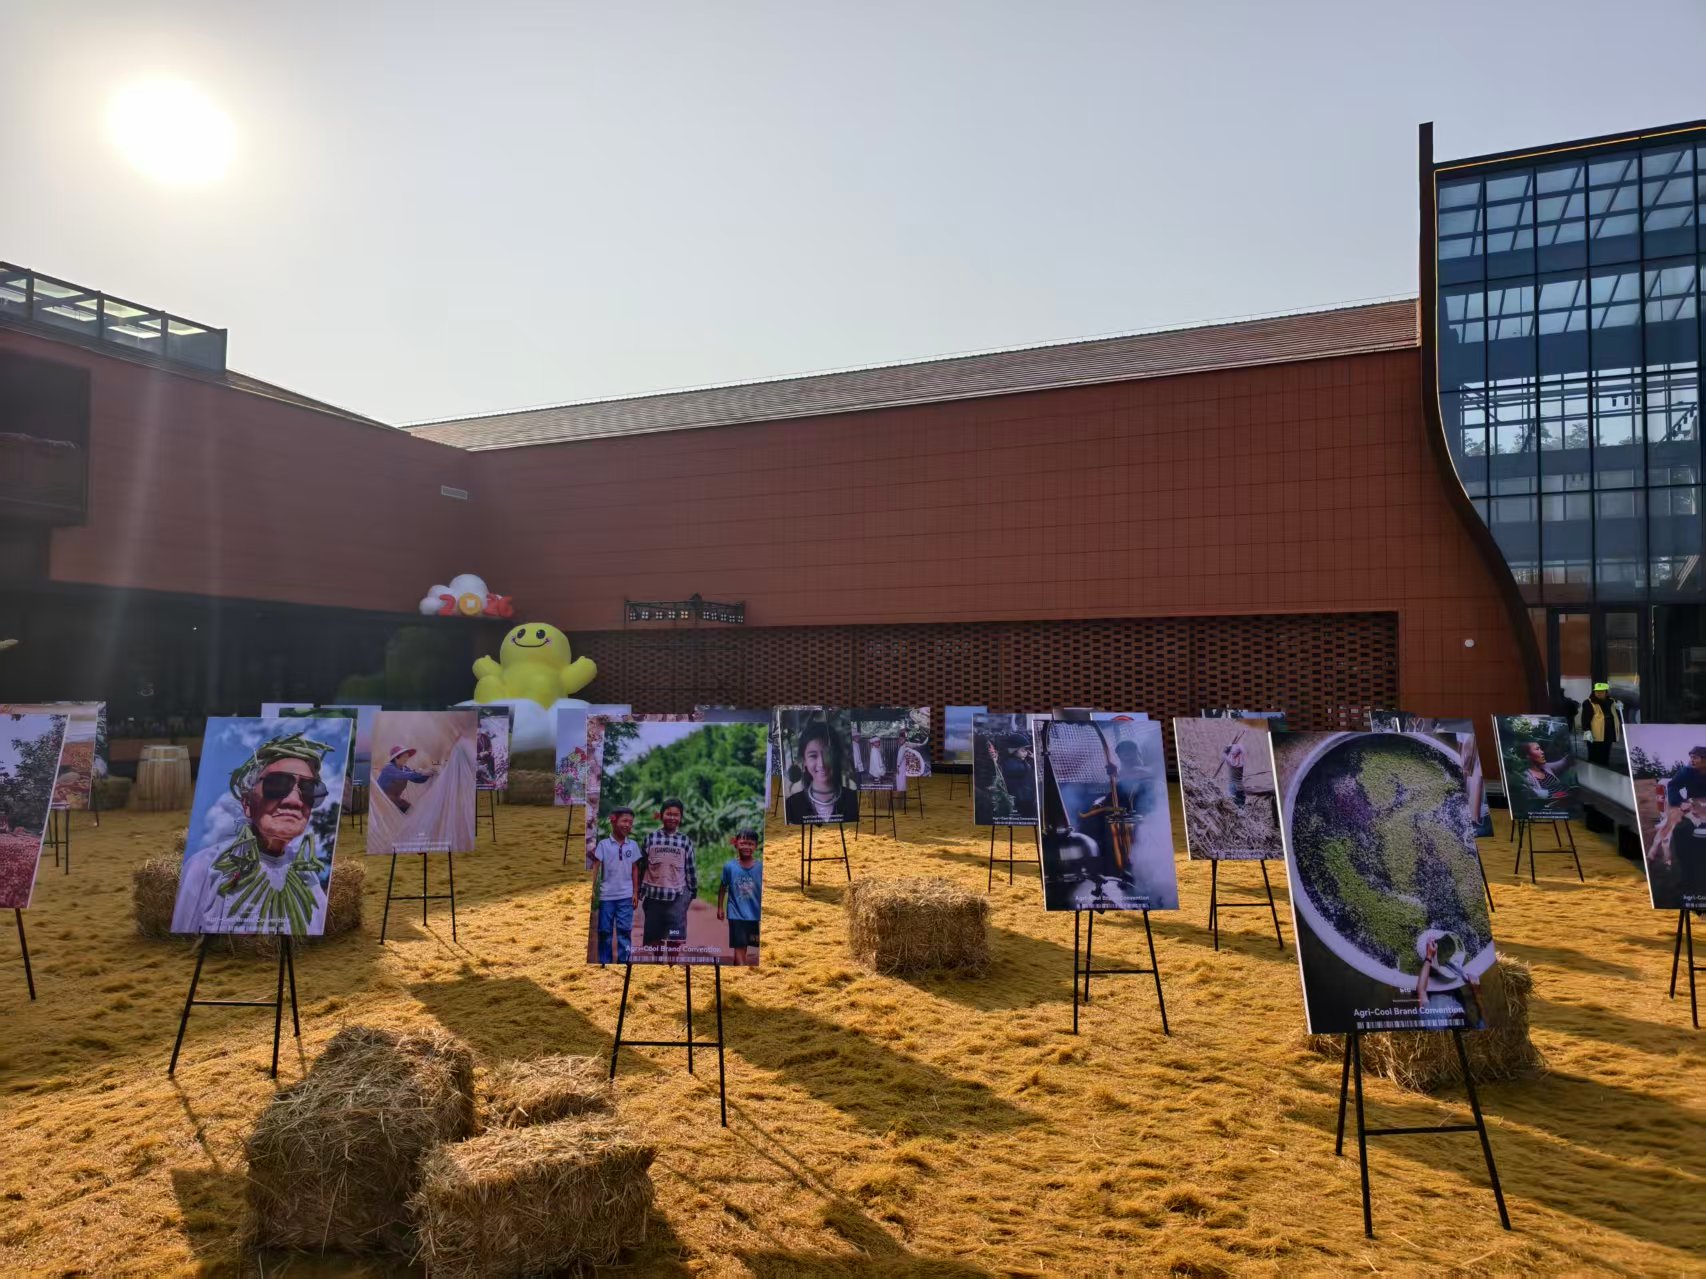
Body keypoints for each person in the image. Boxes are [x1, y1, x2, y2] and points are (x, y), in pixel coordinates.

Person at [171, 731, 334, 935]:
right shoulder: (205, 868)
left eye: (309, 789)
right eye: (277, 784)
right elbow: (182, 941)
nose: (294, 801)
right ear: (247, 804)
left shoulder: (308, 879)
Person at [639, 798, 697, 962]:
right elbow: (643, 867)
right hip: (653, 897)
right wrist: (638, 892)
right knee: (655, 938)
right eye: (668, 814)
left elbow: (690, 869)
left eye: (676, 815)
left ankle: (672, 965)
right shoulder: (650, 839)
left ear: (681, 818)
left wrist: (690, 893)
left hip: (677, 898)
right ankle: (658, 963)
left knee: (674, 938)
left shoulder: (685, 841)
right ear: (661, 815)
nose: (672, 818)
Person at [591, 806, 643, 963]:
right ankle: (604, 964)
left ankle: (624, 964)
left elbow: (635, 869)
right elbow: (595, 866)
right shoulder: (603, 845)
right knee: (604, 932)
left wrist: (635, 892)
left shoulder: (632, 845)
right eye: (624, 821)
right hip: (606, 896)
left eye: (630, 822)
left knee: (624, 932)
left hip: (626, 897)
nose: (628, 825)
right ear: (613, 821)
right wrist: (591, 889)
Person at [784, 721, 858, 823]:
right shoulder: (791, 805)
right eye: (813, 756)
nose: (821, 764)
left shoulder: (855, 801)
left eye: (828, 754)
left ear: (837, 756)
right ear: (804, 761)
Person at [716, 827, 763, 965]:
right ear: (736, 844)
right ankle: (742, 972)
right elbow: (723, 887)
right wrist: (720, 907)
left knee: (744, 947)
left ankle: (737, 969)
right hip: (736, 914)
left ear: (756, 846)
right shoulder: (729, 867)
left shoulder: (761, 867)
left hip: (754, 915)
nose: (746, 847)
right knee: (739, 947)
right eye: (743, 843)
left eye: (750, 844)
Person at [1577, 683, 1625, 767]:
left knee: (1606, 753)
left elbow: (1616, 714)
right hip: (1595, 734)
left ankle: (1604, 768)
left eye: (1601, 692)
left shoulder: (1611, 701)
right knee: (1594, 754)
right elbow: (1585, 717)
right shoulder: (1589, 702)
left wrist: (1619, 707)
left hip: (1608, 732)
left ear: (1606, 692)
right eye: (1597, 691)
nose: (1599, 693)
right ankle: (1593, 769)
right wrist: (1587, 730)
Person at [376, 746, 433, 813]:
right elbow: (405, 775)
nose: (406, 759)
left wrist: (427, 775)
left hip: (395, 800)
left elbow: (417, 779)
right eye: (404, 757)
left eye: (407, 757)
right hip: (382, 801)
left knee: (413, 812)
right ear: (396, 758)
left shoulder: (404, 768)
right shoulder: (389, 768)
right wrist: (422, 772)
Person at [1217, 735, 1247, 807]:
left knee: (1231, 805)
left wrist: (1229, 746)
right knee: (1241, 807)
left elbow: (1224, 753)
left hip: (1233, 787)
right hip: (1241, 787)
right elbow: (1241, 748)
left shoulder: (1231, 761)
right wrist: (1234, 746)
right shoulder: (1242, 761)